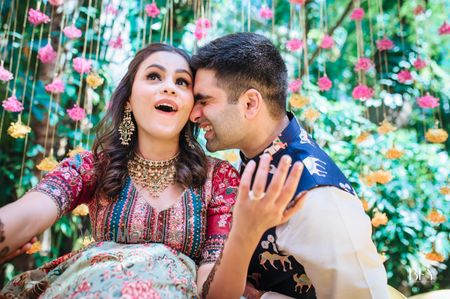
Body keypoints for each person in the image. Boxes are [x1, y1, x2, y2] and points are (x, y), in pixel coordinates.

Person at [0, 43, 303, 298]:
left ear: (191, 107)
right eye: (154, 76)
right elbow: (29, 213)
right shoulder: (93, 165)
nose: (169, 87)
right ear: (130, 98)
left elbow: (214, 292)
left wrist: (245, 235)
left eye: (182, 82)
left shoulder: (218, 178)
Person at [189, 32, 389, 299]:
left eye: (204, 101)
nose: (194, 114)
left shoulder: (319, 197)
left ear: (250, 103)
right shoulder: (256, 160)